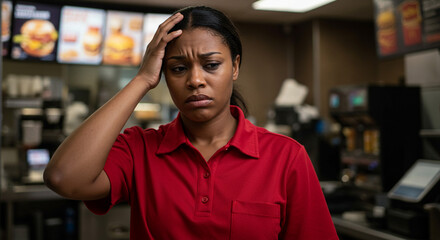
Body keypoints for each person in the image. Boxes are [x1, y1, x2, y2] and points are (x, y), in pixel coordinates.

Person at [44, 6, 339, 239]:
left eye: (211, 65)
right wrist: (143, 79)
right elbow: (64, 178)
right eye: (178, 68)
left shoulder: (286, 157)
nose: (195, 80)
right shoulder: (140, 149)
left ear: (235, 66)